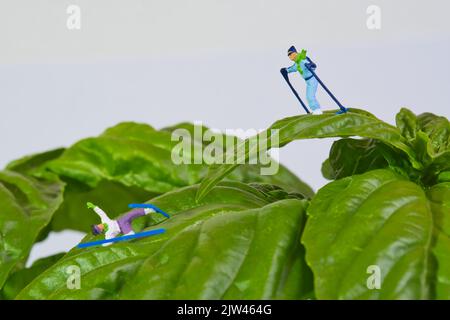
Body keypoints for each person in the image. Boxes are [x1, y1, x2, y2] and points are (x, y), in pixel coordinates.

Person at [88, 202, 155, 246]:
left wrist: (94, 207)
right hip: (122, 227)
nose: (99, 225)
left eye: (98, 225)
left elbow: (101, 213)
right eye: (99, 227)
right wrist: (104, 244)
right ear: (100, 230)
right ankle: (129, 234)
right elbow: (108, 241)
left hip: (121, 220)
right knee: (130, 233)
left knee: (132, 213)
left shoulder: (104, 220)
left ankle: (148, 210)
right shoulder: (108, 233)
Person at [282, 46, 323, 115]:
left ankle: (317, 110)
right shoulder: (297, 64)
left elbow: (314, 65)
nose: (290, 56)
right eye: (289, 55)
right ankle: (315, 110)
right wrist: (285, 70)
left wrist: (310, 65)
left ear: (296, 53)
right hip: (307, 81)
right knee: (308, 96)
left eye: (291, 54)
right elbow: (291, 68)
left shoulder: (303, 59)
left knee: (310, 96)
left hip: (312, 79)